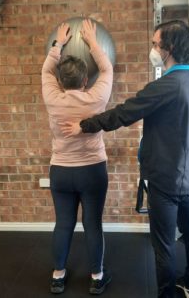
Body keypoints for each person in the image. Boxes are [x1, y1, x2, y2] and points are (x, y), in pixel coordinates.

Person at [60, 20, 189, 298]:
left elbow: (124, 113)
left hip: (166, 181)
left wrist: (86, 124)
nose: (153, 49)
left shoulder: (166, 86)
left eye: (156, 44)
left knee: (164, 245)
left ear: (169, 49)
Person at [41, 19, 113, 295]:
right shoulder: (96, 97)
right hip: (92, 170)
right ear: (86, 80)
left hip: (60, 171)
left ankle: (58, 275)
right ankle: (97, 277)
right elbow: (106, 68)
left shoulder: (52, 96)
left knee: (64, 223)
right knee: (92, 223)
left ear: (60, 81)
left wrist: (58, 43)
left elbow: (47, 69)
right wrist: (93, 43)